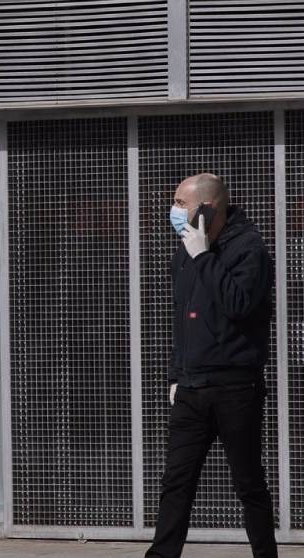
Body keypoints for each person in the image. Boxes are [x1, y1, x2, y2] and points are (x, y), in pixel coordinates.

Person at [147, 174, 277, 558]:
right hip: (191, 388)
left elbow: (238, 304)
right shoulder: (184, 251)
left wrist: (205, 257)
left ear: (207, 208)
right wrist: (175, 376)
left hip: (235, 387)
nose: (174, 211)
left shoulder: (248, 248)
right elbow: (183, 319)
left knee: (248, 483)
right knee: (176, 482)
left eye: (180, 203)